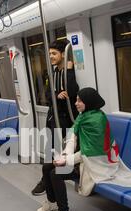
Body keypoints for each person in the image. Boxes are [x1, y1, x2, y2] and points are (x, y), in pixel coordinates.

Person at [37, 88, 131, 211]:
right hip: (85, 160)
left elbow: (91, 152)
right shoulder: (84, 115)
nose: (76, 103)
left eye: (79, 100)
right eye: (76, 100)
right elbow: (72, 135)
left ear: (89, 102)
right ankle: (52, 202)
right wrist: (66, 154)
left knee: (55, 174)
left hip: (97, 164)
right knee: (47, 167)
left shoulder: (97, 121)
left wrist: (66, 161)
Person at [32, 39, 80, 196]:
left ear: (63, 54)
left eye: (54, 53)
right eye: (50, 53)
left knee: (63, 150)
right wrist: (56, 94)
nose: (51, 56)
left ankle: (50, 180)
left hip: (66, 118)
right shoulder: (51, 74)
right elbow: (46, 93)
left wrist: (70, 69)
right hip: (53, 116)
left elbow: (72, 91)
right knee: (50, 149)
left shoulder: (67, 71)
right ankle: (47, 180)